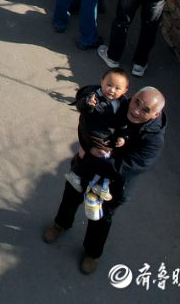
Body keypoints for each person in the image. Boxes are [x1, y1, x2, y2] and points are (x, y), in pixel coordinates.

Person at [43, 87, 167, 274]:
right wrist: (87, 102)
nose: (136, 110)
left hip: (113, 186)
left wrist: (90, 155)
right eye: (136, 102)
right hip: (84, 170)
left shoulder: (154, 140)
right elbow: (89, 109)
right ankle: (60, 224)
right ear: (132, 96)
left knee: (100, 219)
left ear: (156, 114)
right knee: (70, 198)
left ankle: (92, 253)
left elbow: (127, 167)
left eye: (145, 110)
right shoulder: (118, 104)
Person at [67, 69, 131, 191]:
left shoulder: (122, 103)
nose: (112, 90)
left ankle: (99, 183)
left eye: (117, 88)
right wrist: (88, 104)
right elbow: (82, 106)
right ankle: (77, 174)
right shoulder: (94, 96)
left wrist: (122, 136)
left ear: (124, 90)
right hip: (93, 132)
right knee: (101, 155)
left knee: (107, 157)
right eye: (109, 85)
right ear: (102, 82)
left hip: (107, 135)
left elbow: (122, 123)